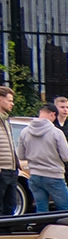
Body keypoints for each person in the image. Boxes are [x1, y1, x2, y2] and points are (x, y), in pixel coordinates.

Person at [16, 102, 68, 212]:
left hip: (35, 175)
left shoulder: (25, 132)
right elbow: (66, 157)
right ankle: (64, 229)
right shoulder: (56, 133)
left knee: (41, 210)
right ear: (53, 114)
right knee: (65, 209)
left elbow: (21, 155)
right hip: (54, 175)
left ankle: (42, 228)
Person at [0, 86, 18, 215]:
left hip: (11, 170)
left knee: (10, 206)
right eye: (9, 100)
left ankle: (7, 234)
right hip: (2, 171)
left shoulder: (6, 119)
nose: (12, 104)